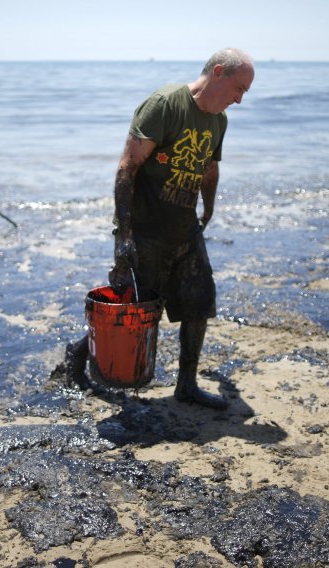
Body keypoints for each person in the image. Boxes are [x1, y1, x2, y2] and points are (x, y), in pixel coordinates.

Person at [66, 48, 255, 410]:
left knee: (199, 304)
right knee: (134, 313)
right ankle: (78, 356)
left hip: (185, 230)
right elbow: (127, 169)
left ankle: (186, 386)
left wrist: (209, 207)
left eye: (245, 92)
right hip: (145, 232)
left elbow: (209, 169)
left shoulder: (219, 121)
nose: (240, 99)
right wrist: (123, 237)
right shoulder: (165, 104)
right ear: (218, 72)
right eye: (239, 88)